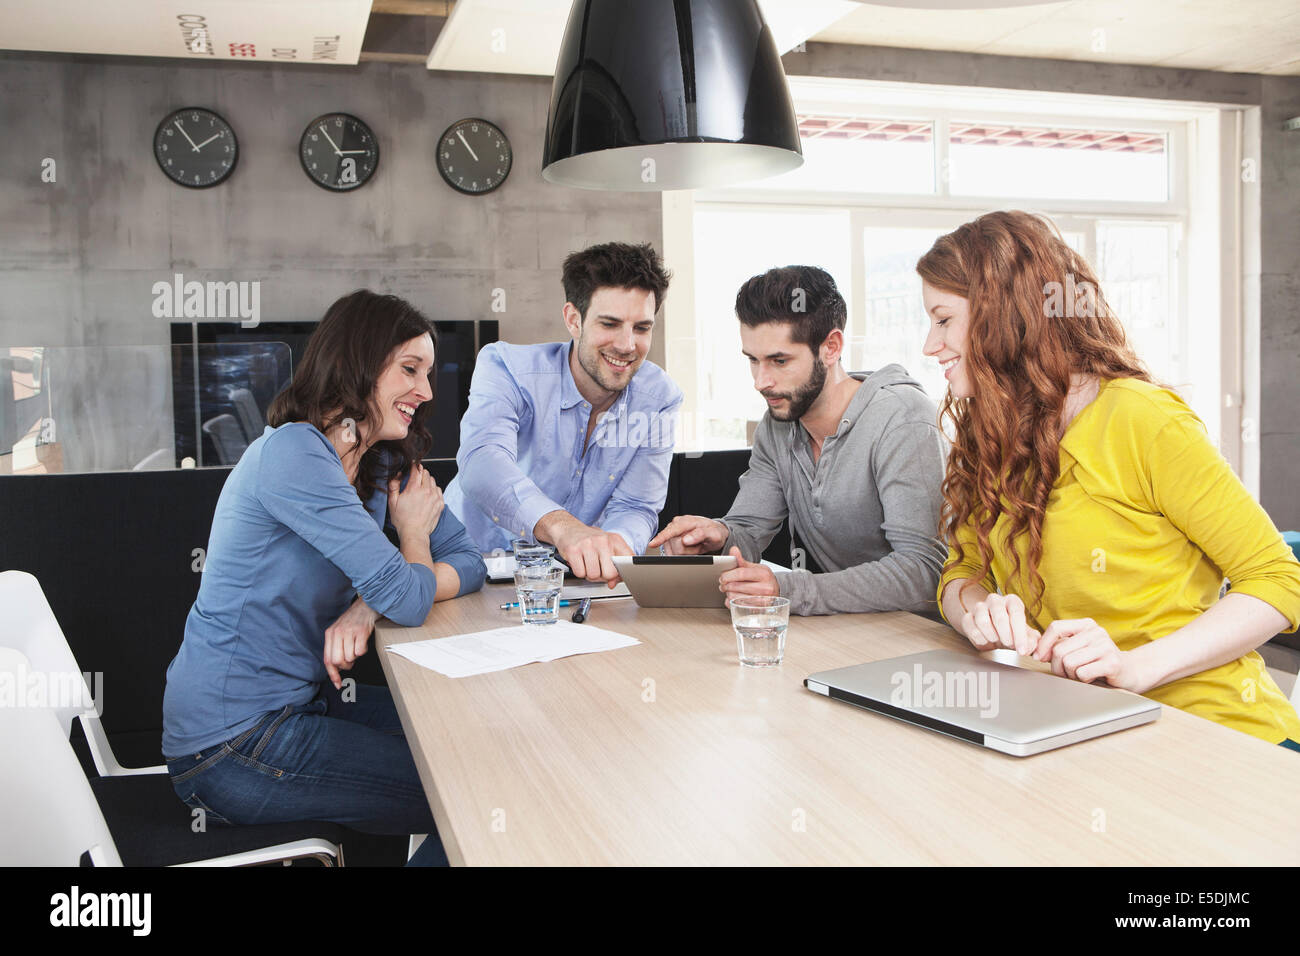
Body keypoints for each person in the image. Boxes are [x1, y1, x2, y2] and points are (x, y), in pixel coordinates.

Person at [920, 210, 1300, 747]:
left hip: (1214, 735)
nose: (929, 345)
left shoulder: (1143, 420)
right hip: (1073, 721)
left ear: (1005, 315)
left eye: (942, 320)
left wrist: (1136, 667)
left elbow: (1277, 577)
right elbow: (961, 571)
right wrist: (979, 612)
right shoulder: (992, 432)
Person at [162, 290, 487, 865]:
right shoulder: (295, 453)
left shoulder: (381, 460)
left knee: (476, 748)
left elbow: (468, 560)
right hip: (231, 743)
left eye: (430, 373)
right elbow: (410, 599)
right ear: (358, 363)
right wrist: (411, 538)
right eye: (409, 370)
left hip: (304, 706)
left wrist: (367, 604)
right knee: (471, 794)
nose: (427, 391)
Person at [649, 266, 947, 616]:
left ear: (831, 347)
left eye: (779, 361)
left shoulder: (902, 419)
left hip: (918, 639)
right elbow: (748, 531)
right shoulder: (777, 426)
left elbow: (924, 572)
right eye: (753, 361)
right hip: (846, 630)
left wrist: (791, 588)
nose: (761, 381)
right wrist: (716, 536)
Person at [444, 241, 683, 582]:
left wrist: (618, 543)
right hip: (466, 568)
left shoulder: (659, 398)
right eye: (610, 324)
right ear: (573, 319)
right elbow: (481, 465)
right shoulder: (506, 367)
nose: (627, 345)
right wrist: (563, 527)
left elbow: (637, 506)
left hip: (567, 580)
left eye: (642, 328)